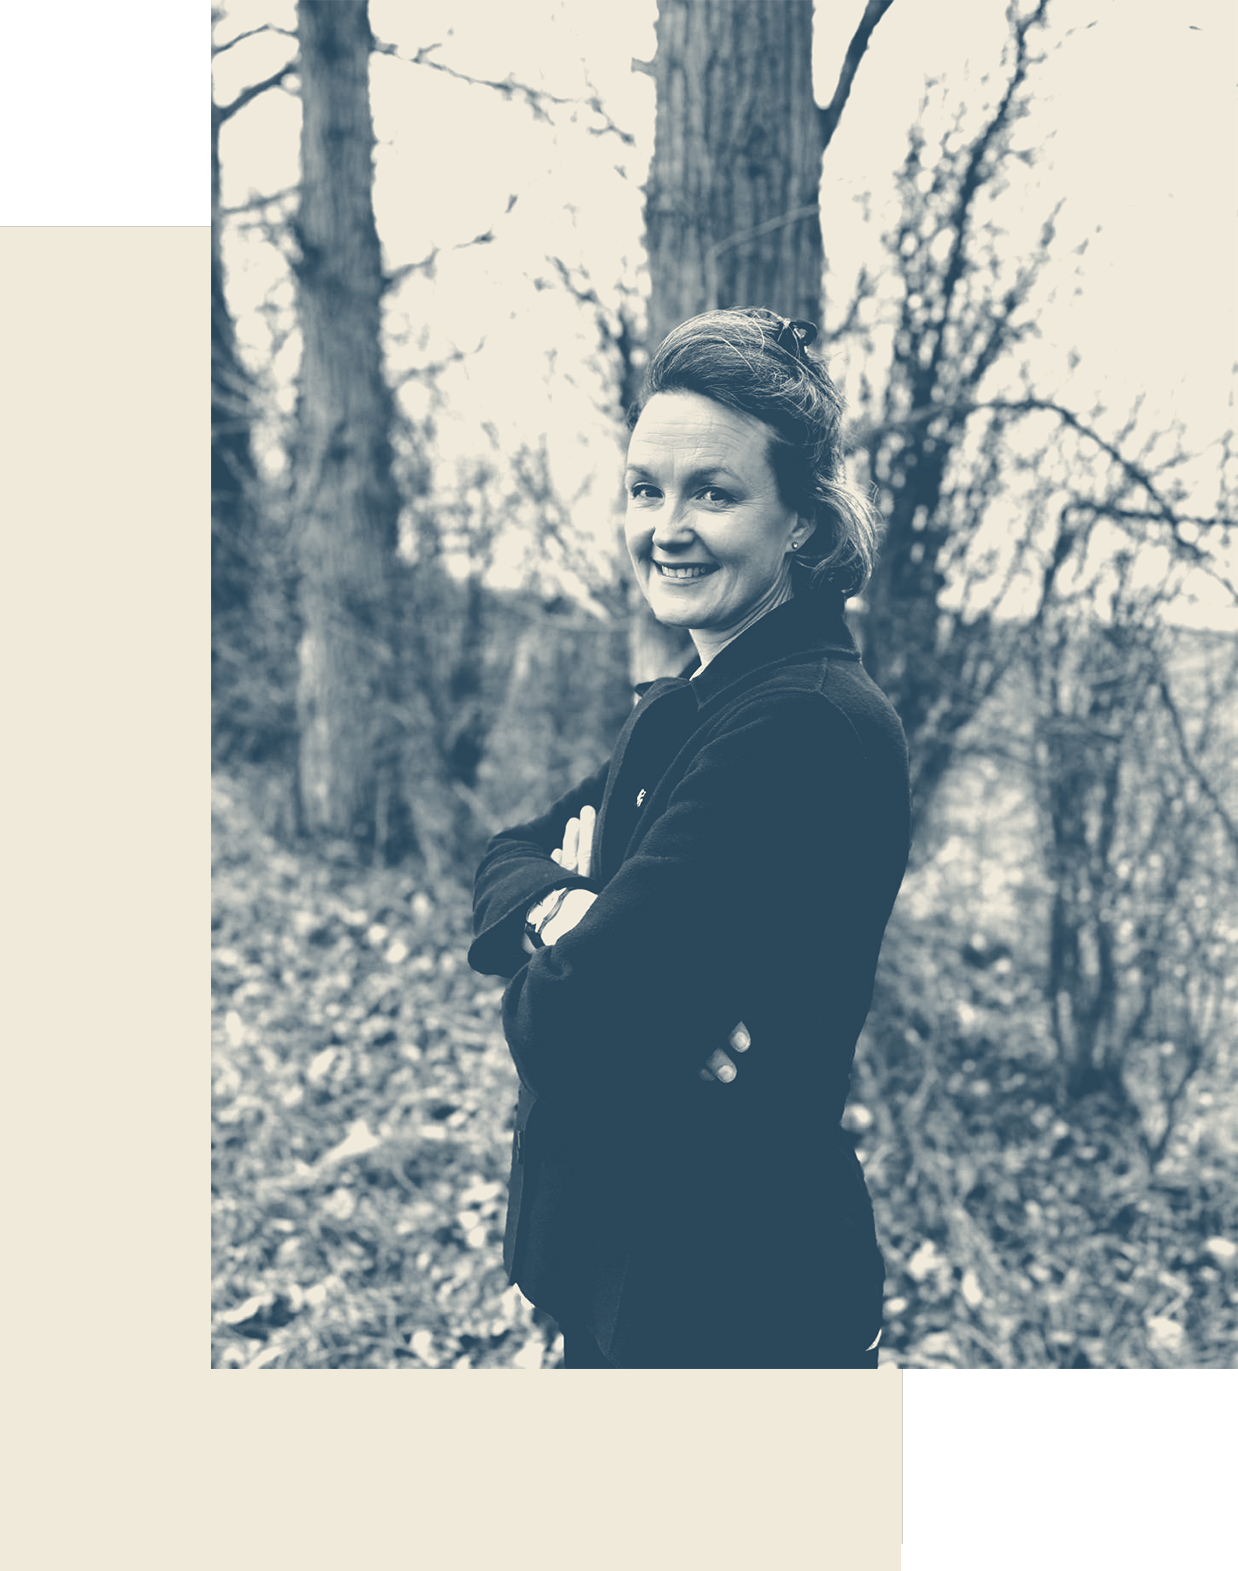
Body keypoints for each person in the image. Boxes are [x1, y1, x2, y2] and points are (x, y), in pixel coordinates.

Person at [468, 307, 910, 1368]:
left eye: (711, 491)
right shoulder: (689, 707)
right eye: (644, 488)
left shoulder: (800, 721)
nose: (665, 525)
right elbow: (502, 858)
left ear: (800, 520)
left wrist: (588, 959)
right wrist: (571, 912)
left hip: (730, 1300)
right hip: (630, 1278)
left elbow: (569, 1016)